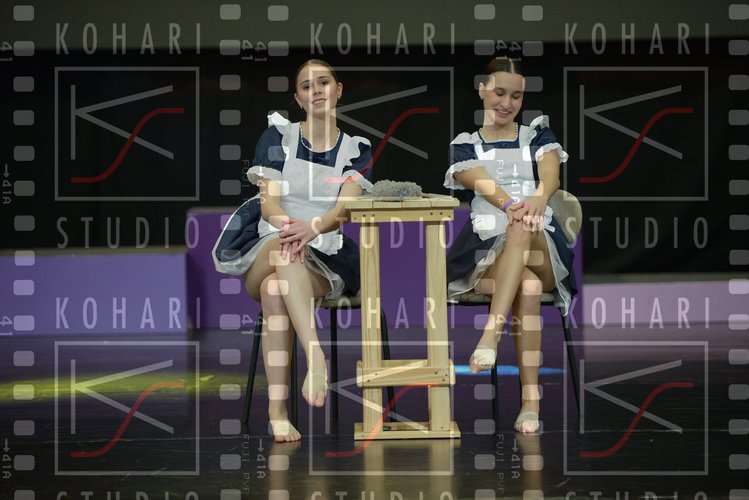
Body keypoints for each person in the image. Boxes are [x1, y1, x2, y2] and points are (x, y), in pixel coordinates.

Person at [213, 59, 373, 442]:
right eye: (306, 86)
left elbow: (344, 210)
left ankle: (277, 412)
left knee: (274, 291)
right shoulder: (278, 137)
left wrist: (311, 228)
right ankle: (315, 355)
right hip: (272, 243)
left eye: (324, 82)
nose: (316, 90)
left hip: (324, 254)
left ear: (338, 89)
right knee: (283, 252)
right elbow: (268, 204)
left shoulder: (356, 148)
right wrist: (291, 228)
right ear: (298, 98)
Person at [444, 56, 577, 434]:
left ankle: (491, 334)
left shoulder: (537, 134)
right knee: (528, 288)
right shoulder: (465, 145)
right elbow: (482, 184)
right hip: (488, 253)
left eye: (516, 96)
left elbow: (550, 176)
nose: (507, 103)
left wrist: (538, 198)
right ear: (482, 90)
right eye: (499, 93)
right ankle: (531, 401)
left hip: (541, 247)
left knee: (522, 230)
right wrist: (512, 206)